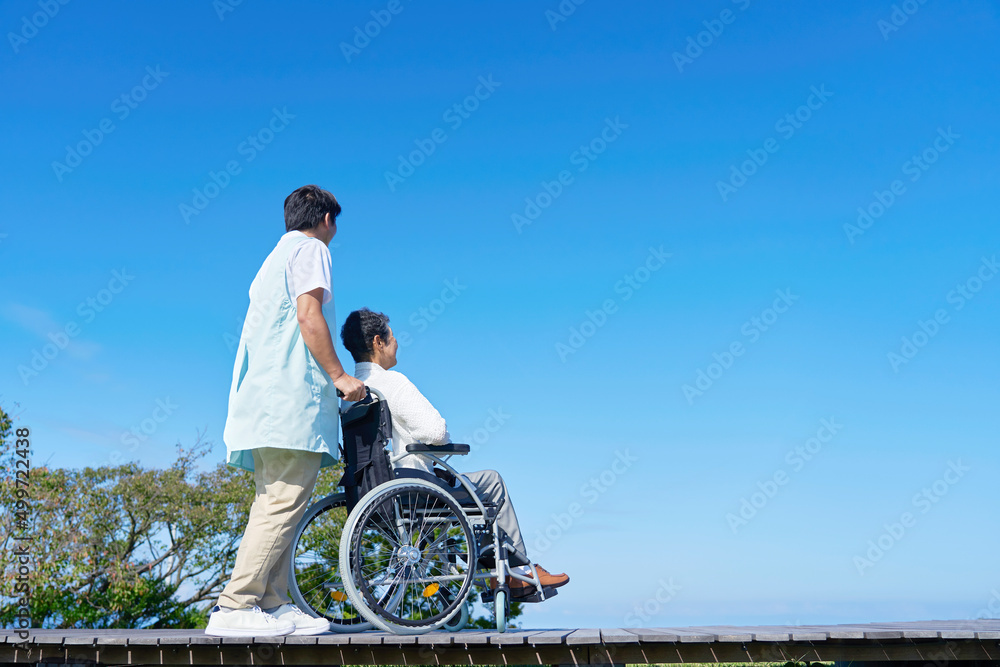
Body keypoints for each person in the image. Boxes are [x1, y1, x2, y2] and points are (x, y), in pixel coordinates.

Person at [205, 185, 366, 638]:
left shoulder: (272, 261)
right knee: (282, 502)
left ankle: (272, 603)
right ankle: (235, 605)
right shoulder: (311, 248)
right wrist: (340, 377)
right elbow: (309, 316)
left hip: (263, 402)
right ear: (327, 220)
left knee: (278, 504)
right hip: (289, 399)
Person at [339, 307, 569, 599]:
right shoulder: (393, 383)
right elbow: (435, 432)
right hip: (411, 486)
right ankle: (518, 573)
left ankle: (496, 568)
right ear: (377, 342)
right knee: (491, 481)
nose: (397, 343)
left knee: (464, 483)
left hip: (369, 489)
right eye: (393, 337)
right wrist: (441, 443)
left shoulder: (349, 394)